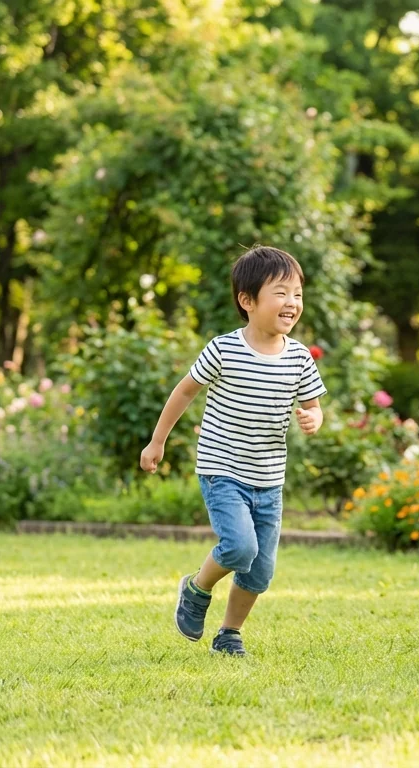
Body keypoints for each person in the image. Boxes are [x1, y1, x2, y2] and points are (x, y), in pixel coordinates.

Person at [141, 245, 327, 657]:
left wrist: (314, 418)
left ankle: (229, 634)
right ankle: (196, 588)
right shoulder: (225, 349)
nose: (292, 302)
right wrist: (158, 440)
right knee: (240, 547)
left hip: (269, 479)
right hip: (222, 469)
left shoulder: (298, 357)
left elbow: (313, 404)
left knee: (261, 570)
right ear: (247, 301)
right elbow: (184, 391)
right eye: (280, 292)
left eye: (297, 293)